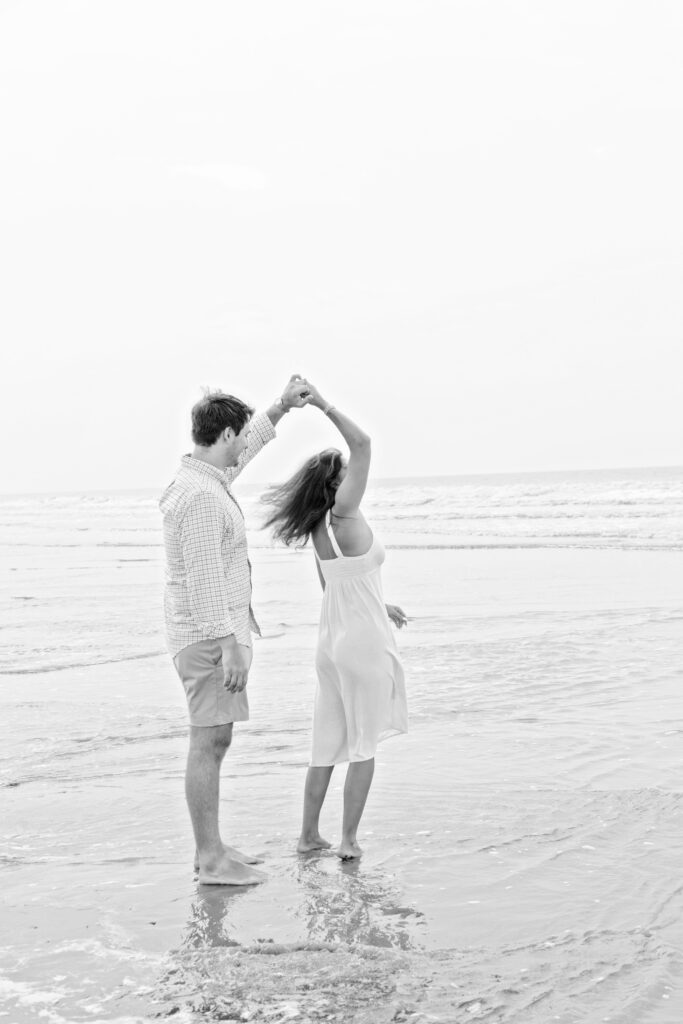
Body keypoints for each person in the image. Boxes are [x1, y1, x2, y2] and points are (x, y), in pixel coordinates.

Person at [160, 375, 311, 885]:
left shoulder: (204, 479)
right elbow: (203, 580)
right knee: (210, 741)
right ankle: (210, 859)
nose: (242, 445)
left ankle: (214, 847)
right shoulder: (202, 497)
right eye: (239, 435)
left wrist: (281, 408)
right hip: (208, 638)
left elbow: (244, 456)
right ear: (224, 435)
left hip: (206, 634)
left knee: (214, 738)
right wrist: (229, 645)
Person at [262, 382, 408, 859]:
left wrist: (378, 604)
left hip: (332, 643)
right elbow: (363, 443)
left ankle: (308, 837)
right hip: (362, 645)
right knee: (364, 744)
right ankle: (347, 841)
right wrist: (322, 403)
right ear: (337, 483)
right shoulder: (345, 512)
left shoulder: (321, 527)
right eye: (347, 473)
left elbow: (337, 585)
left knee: (327, 742)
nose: (357, 475)